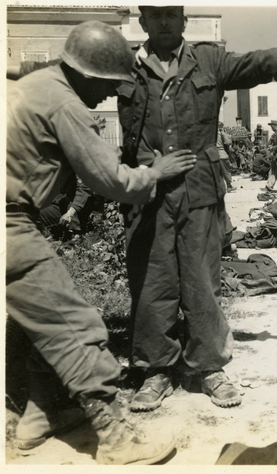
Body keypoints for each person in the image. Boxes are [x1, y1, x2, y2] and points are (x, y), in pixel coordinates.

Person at [119, 6, 277, 412]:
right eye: (156, 15)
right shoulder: (124, 65)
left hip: (198, 189)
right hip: (148, 192)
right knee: (153, 282)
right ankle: (156, 369)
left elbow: (259, 63)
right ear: (143, 21)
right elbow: (69, 83)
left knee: (202, 278)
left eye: (172, 14)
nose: (165, 22)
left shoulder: (209, 60)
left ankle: (208, 366)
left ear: (184, 20)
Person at [6, 21, 198, 464]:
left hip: (15, 220)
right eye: (110, 87)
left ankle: (42, 415)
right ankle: (115, 437)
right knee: (75, 324)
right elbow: (112, 181)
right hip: (10, 225)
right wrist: (156, 171)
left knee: (40, 323)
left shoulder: (33, 85)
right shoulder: (64, 103)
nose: (111, 97)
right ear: (89, 74)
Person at [217, 122, 237, 193]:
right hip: (222, 154)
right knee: (226, 171)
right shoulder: (221, 133)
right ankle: (229, 186)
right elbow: (228, 142)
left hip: (213, 154)